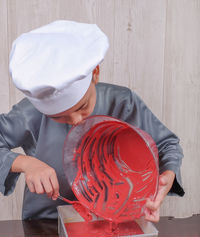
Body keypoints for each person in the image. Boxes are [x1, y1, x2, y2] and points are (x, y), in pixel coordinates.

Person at [0, 20, 184, 222]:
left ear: (95, 73)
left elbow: (167, 145)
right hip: (45, 224)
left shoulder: (123, 102)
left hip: (113, 219)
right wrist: (25, 163)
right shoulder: (30, 112)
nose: (77, 120)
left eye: (82, 107)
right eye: (58, 117)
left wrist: (168, 174)